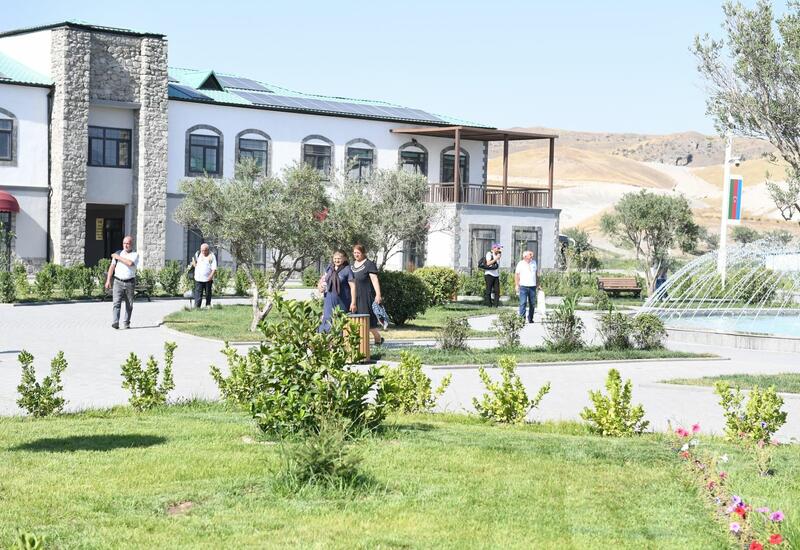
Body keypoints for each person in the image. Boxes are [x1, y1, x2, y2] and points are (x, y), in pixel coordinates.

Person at [349, 243, 385, 345]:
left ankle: (378, 338)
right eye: (355, 253)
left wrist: (378, 294)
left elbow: (374, 279)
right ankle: (360, 344)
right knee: (355, 322)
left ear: (363, 253)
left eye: (358, 253)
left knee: (368, 323)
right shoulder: (351, 266)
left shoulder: (369, 264)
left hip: (365, 296)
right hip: (354, 297)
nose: (356, 255)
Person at [104, 235, 140, 329]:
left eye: (128, 243)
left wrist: (118, 257)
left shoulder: (135, 254)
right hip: (118, 281)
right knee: (116, 303)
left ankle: (126, 322)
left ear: (131, 244)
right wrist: (108, 280)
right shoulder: (118, 253)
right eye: (124, 243)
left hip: (130, 282)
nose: (125, 245)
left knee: (129, 305)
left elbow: (130, 263)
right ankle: (115, 322)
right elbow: (112, 267)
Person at [319, 250, 355, 333]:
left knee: (340, 322)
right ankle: (327, 340)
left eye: (339, 258)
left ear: (344, 259)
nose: (336, 260)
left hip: (342, 301)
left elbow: (353, 287)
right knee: (327, 320)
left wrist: (353, 303)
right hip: (328, 300)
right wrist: (320, 286)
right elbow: (322, 280)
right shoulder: (329, 268)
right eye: (335, 258)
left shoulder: (347, 270)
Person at [514, 249, 540, 323]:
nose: (532, 256)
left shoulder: (534, 263)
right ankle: (522, 319)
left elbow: (536, 274)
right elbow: (517, 275)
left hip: (532, 286)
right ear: (525, 256)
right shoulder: (520, 264)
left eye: (532, 255)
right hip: (523, 286)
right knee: (523, 303)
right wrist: (516, 285)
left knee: (532, 303)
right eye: (530, 255)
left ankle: (530, 318)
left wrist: (538, 284)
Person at [191, 243, 217, 308]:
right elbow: (193, 260)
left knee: (208, 293)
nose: (203, 252)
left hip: (208, 279)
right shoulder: (198, 253)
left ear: (208, 250)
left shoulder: (212, 256)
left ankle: (208, 305)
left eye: (205, 250)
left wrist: (211, 276)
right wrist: (194, 264)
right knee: (198, 294)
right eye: (202, 250)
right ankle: (197, 307)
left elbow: (214, 268)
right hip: (198, 278)